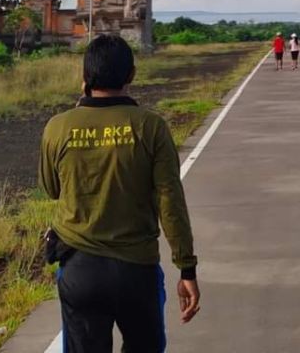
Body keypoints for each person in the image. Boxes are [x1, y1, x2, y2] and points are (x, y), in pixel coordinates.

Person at [39, 35, 200, 350]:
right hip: (136, 270)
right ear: (131, 75)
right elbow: (171, 203)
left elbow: (52, 189)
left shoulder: (58, 127)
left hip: (79, 268)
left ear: (85, 78)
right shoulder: (150, 126)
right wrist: (187, 268)